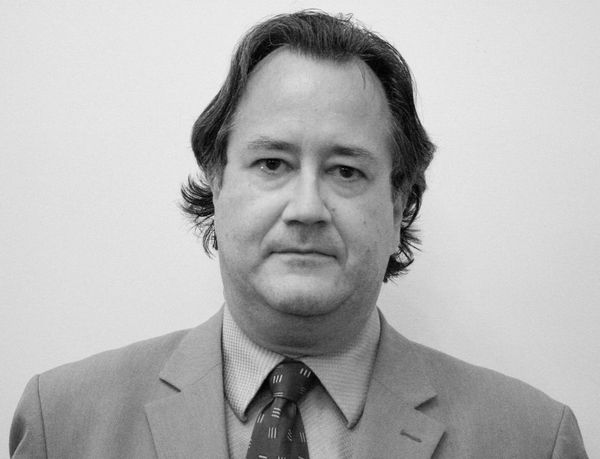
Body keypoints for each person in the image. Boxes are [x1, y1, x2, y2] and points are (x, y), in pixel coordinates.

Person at [10, 10, 588, 459]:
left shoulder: (534, 439)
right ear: (216, 183)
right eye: (273, 164)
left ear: (399, 205)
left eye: (346, 171)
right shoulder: (62, 422)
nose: (307, 208)